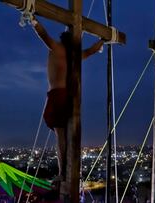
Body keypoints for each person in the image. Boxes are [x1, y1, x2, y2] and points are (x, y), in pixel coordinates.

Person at [31, 17, 104, 183]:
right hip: (70, 97)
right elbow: (92, 51)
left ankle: (63, 173)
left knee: (61, 139)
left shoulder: (56, 48)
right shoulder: (75, 55)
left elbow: (43, 34)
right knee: (68, 137)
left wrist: (33, 19)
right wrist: (102, 40)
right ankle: (67, 172)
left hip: (56, 95)